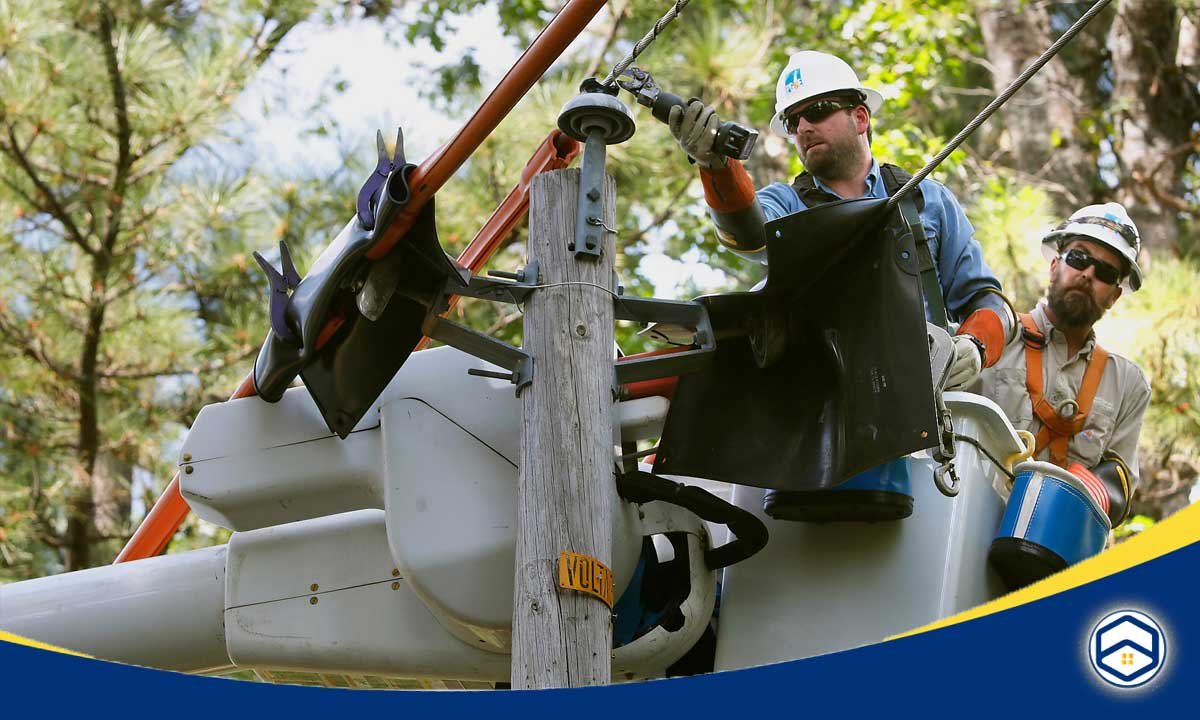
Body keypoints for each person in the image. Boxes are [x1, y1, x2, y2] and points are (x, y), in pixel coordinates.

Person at [669, 50, 1014, 389]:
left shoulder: (926, 199)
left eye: (817, 111)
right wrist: (718, 166)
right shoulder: (787, 204)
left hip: (925, 414)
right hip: (822, 417)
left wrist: (976, 346)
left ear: (860, 118)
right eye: (793, 120)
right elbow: (749, 237)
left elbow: (987, 300)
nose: (803, 127)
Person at [976, 202, 1150, 529]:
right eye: (1078, 258)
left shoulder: (1128, 385)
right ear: (1054, 265)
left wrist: (1083, 489)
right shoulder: (994, 334)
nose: (1087, 274)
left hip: (1049, 548)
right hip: (965, 525)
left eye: (1106, 272)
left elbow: (1119, 484)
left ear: (1114, 295)